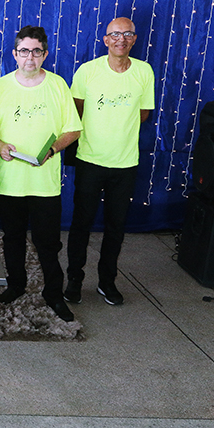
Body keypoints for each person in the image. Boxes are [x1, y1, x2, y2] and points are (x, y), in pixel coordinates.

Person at [0, 25, 82, 322]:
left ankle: (53, 294)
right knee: (12, 238)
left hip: (44, 184)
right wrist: (0, 146)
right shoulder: (0, 87)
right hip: (9, 181)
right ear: (15, 54)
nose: (30, 57)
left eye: (36, 51)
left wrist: (52, 149)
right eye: (24, 51)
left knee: (48, 242)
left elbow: (73, 130)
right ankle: (16, 285)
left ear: (45, 54)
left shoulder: (58, 85)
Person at [65, 17, 155, 307]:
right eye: (115, 34)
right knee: (81, 224)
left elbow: (144, 113)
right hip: (90, 160)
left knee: (116, 227)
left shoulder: (144, 71)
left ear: (134, 39)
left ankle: (107, 282)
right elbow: (75, 112)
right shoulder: (87, 71)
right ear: (105, 40)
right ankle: (74, 280)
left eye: (127, 34)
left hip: (125, 163)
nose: (121, 39)